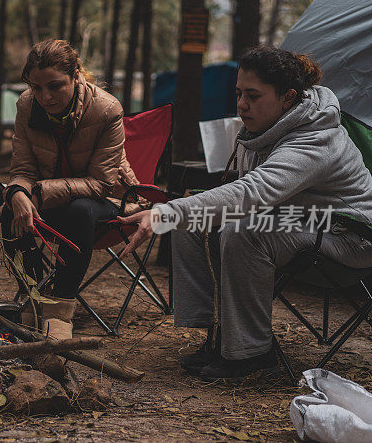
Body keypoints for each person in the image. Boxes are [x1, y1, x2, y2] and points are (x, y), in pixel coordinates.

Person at [120, 46, 372, 379]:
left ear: (288, 97)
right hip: (302, 221)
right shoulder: (266, 127)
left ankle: (253, 355)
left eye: (252, 96)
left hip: (348, 235)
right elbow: (247, 195)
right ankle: (220, 334)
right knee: (194, 222)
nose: (241, 104)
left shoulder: (315, 139)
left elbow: (253, 193)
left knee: (243, 232)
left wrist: (165, 213)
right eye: (239, 93)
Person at [2, 39, 146, 340]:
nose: (45, 96)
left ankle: (60, 309)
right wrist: (18, 193)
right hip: (53, 200)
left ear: (76, 75)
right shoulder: (26, 105)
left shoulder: (106, 109)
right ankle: (34, 295)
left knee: (78, 210)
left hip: (106, 201)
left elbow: (101, 183)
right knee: (8, 210)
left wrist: (39, 192)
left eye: (55, 86)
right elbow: (23, 169)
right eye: (37, 87)